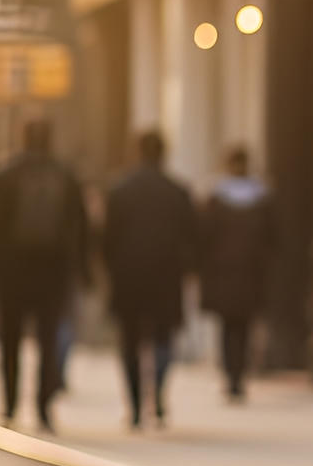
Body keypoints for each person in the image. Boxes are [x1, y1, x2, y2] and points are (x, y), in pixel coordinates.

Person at [0, 118, 88, 431]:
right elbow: (78, 228)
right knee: (48, 339)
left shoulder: (5, 175)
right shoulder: (65, 176)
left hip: (12, 272)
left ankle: (9, 402)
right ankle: (43, 405)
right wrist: (80, 270)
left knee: (10, 338)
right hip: (52, 272)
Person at [104, 130, 197, 429]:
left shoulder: (120, 190)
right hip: (166, 275)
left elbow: (107, 238)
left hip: (128, 274)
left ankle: (133, 405)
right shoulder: (178, 191)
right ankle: (156, 393)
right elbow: (192, 237)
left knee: (130, 341)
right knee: (163, 337)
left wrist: (110, 269)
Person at [198, 145, 276, 401]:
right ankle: (237, 376)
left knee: (230, 325)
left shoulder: (216, 199)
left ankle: (232, 375)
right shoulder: (261, 198)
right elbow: (273, 239)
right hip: (249, 273)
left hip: (224, 274)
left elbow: (204, 238)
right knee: (242, 326)